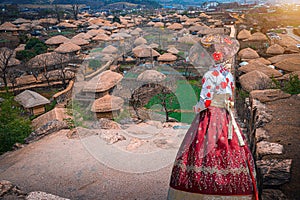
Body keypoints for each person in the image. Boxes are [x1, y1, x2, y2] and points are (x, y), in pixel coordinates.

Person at [167, 35, 259, 200]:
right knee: (229, 147)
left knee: (202, 147)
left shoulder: (210, 75)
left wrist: (197, 108)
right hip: (225, 116)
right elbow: (230, 98)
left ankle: (201, 190)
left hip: (210, 115)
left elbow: (206, 99)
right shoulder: (228, 75)